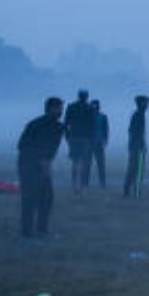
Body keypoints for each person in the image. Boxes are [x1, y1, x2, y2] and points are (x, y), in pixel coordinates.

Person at [17, 97, 64, 238]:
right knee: (29, 199)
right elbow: (22, 145)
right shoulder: (36, 124)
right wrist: (40, 159)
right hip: (28, 165)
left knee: (47, 198)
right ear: (50, 109)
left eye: (61, 109)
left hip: (43, 165)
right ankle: (27, 233)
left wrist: (47, 162)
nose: (61, 111)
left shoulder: (58, 127)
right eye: (59, 108)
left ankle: (41, 230)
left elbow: (51, 149)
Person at [63, 90, 96, 197]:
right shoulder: (90, 108)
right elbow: (92, 125)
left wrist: (67, 135)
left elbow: (66, 122)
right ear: (87, 97)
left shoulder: (71, 107)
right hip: (85, 138)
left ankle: (75, 184)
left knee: (75, 161)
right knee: (83, 162)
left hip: (74, 136)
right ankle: (81, 185)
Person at [124, 95, 149, 198]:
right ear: (141, 104)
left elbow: (132, 131)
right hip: (137, 146)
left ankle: (129, 189)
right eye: (146, 103)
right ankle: (136, 191)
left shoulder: (138, 114)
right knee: (138, 169)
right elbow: (134, 132)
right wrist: (141, 144)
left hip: (135, 145)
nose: (148, 105)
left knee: (134, 168)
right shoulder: (138, 115)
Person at [88, 99, 109, 188]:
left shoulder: (103, 117)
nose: (94, 107)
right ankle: (85, 181)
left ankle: (102, 182)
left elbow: (106, 129)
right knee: (88, 163)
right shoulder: (87, 117)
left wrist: (105, 140)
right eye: (93, 105)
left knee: (101, 163)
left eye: (95, 105)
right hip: (90, 142)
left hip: (99, 142)